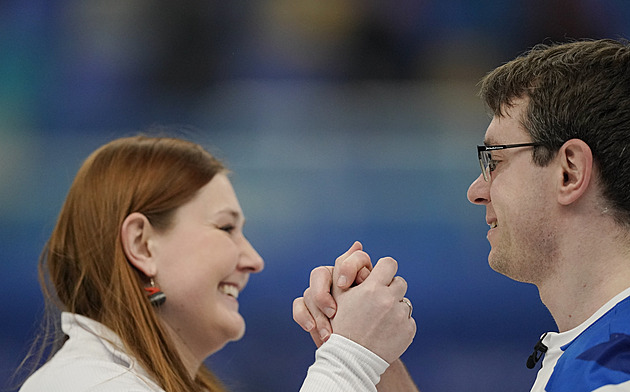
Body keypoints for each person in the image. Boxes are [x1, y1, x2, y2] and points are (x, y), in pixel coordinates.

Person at [293, 38, 630, 391]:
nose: (476, 191)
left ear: (569, 172)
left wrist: (348, 359)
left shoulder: (612, 374)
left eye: (494, 161)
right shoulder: (600, 357)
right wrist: (371, 356)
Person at [17, 135, 416, 392]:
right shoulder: (86, 384)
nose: (254, 260)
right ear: (141, 244)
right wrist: (350, 359)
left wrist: (376, 356)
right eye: (226, 228)